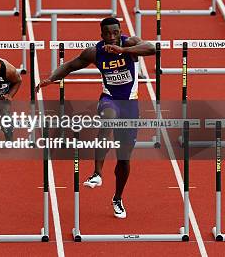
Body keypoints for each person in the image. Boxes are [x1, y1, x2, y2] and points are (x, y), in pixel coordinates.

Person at [36, 17, 154, 219]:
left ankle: (117, 198)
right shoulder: (95, 52)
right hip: (109, 99)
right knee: (107, 118)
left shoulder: (130, 44)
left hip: (130, 105)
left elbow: (152, 48)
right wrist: (51, 78)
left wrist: (124, 51)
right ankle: (97, 173)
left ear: (120, 31)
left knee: (124, 159)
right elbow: (70, 65)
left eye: (115, 32)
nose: (112, 37)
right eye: (107, 33)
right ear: (102, 35)